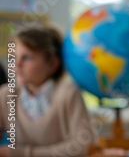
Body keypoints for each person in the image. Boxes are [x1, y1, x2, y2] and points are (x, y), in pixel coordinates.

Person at [0, 24, 93, 157]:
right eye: (13, 57)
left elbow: (82, 147)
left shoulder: (68, 94)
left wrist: (22, 153)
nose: (17, 64)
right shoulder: (6, 95)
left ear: (52, 63)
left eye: (27, 57)